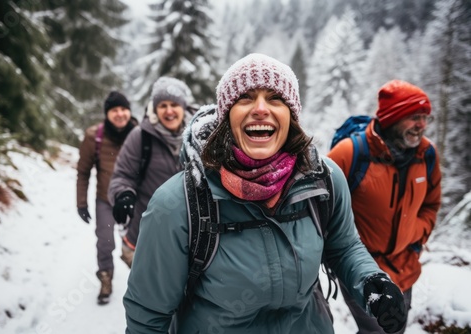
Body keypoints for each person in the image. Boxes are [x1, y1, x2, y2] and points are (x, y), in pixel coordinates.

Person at [121, 53, 407, 333]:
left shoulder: (325, 181)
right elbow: (148, 315)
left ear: (291, 116)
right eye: (245, 97)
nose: (260, 109)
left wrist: (370, 280)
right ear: (226, 117)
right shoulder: (177, 204)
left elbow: (343, 246)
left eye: (275, 98)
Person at [328, 79, 442, 333]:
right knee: (376, 331)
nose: (421, 125)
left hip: (406, 265)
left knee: (395, 328)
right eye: (414, 117)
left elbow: (431, 204)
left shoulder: (427, 155)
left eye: (425, 118)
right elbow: (322, 207)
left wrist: (415, 238)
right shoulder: (350, 153)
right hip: (360, 269)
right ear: (391, 118)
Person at [108, 76, 193, 268]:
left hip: (190, 234)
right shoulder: (140, 137)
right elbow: (122, 175)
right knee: (150, 292)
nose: (169, 110)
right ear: (154, 109)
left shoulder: (199, 135)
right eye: (162, 105)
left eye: (174, 104)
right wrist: (123, 195)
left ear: (184, 107)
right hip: (145, 232)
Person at [76, 91, 138, 305]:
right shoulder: (95, 137)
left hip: (135, 200)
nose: (120, 114)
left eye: (123, 109)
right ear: (107, 113)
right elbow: (83, 172)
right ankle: (105, 278)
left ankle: (142, 279)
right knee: (105, 241)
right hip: (105, 199)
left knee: (139, 242)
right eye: (114, 110)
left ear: (129, 111)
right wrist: (81, 203)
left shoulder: (140, 134)